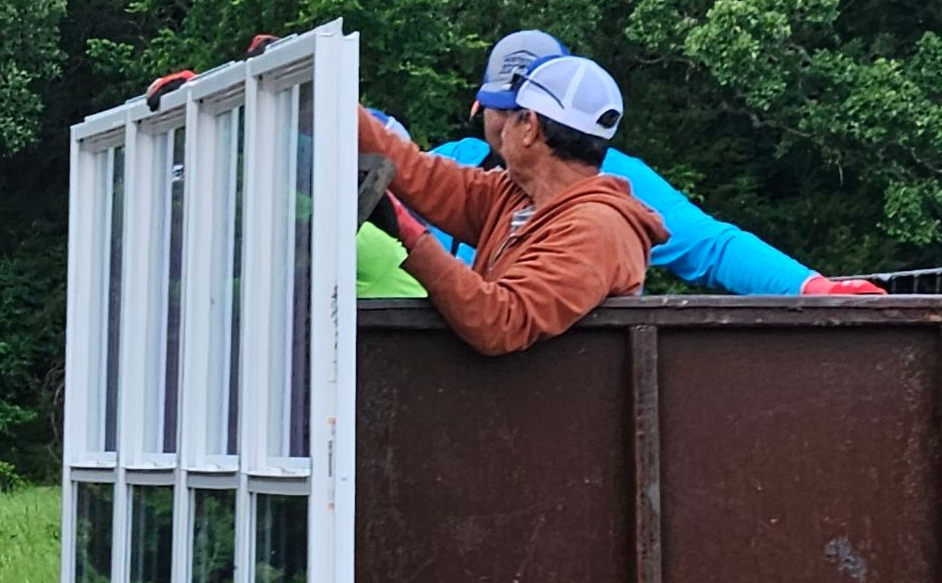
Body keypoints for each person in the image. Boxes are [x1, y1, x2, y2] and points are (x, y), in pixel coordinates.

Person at [430, 29, 880, 298]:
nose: (517, 125)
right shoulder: (452, 167)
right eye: (505, 109)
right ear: (480, 108)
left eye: (526, 112)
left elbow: (712, 247)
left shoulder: (615, 183)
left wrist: (814, 289)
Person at [360, 55, 664, 355]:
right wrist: (337, 109)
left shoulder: (596, 229)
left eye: (510, 113)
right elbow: (419, 173)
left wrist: (410, 234)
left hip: (548, 404)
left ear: (530, 126)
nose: (499, 126)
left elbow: (500, 322)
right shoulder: (518, 195)